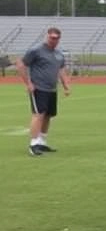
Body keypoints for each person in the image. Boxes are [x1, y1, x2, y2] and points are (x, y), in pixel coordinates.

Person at [17, 27, 71, 156]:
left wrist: (66, 85)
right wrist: (28, 83)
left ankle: (41, 142)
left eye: (56, 38)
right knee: (39, 114)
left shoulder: (58, 54)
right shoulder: (36, 50)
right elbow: (21, 65)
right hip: (39, 88)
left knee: (48, 116)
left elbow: (61, 69)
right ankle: (33, 144)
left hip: (52, 89)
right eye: (52, 38)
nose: (54, 40)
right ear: (47, 36)